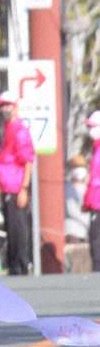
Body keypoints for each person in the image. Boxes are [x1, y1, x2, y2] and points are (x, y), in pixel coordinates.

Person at [0, 89, 35, 275]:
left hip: (17, 186)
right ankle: (13, 263)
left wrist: (24, 188)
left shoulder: (19, 131)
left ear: (15, 107)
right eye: (2, 106)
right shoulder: (6, 130)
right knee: (11, 227)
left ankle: (21, 263)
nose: (4, 109)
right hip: (7, 185)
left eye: (7, 105)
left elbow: (27, 161)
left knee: (18, 227)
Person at [82, 109, 100, 271]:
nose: (90, 131)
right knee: (94, 239)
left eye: (93, 127)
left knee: (96, 239)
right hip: (95, 201)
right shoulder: (96, 149)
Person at [64, 155, 90, 244]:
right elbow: (72, 210)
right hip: (73, 232)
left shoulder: (89, 187)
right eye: (76, 167)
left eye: (82, 167)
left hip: (87, 233)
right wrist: (89, 222)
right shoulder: (68, 187)